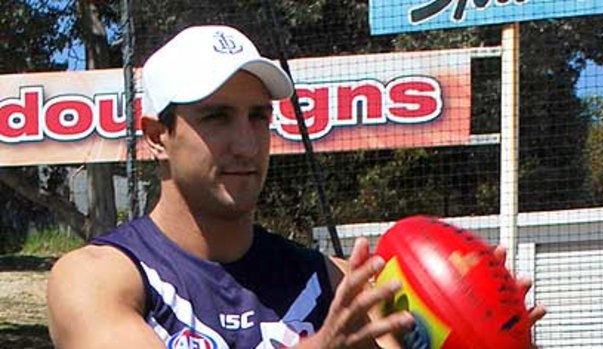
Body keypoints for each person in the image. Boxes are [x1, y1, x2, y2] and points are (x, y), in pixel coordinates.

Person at [47, 25, 544, 349]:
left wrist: (488, 329)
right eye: (217, 117)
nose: (245, 143)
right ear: (158, 135)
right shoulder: (97, 277)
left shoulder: (331, 283)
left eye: (258, 116)